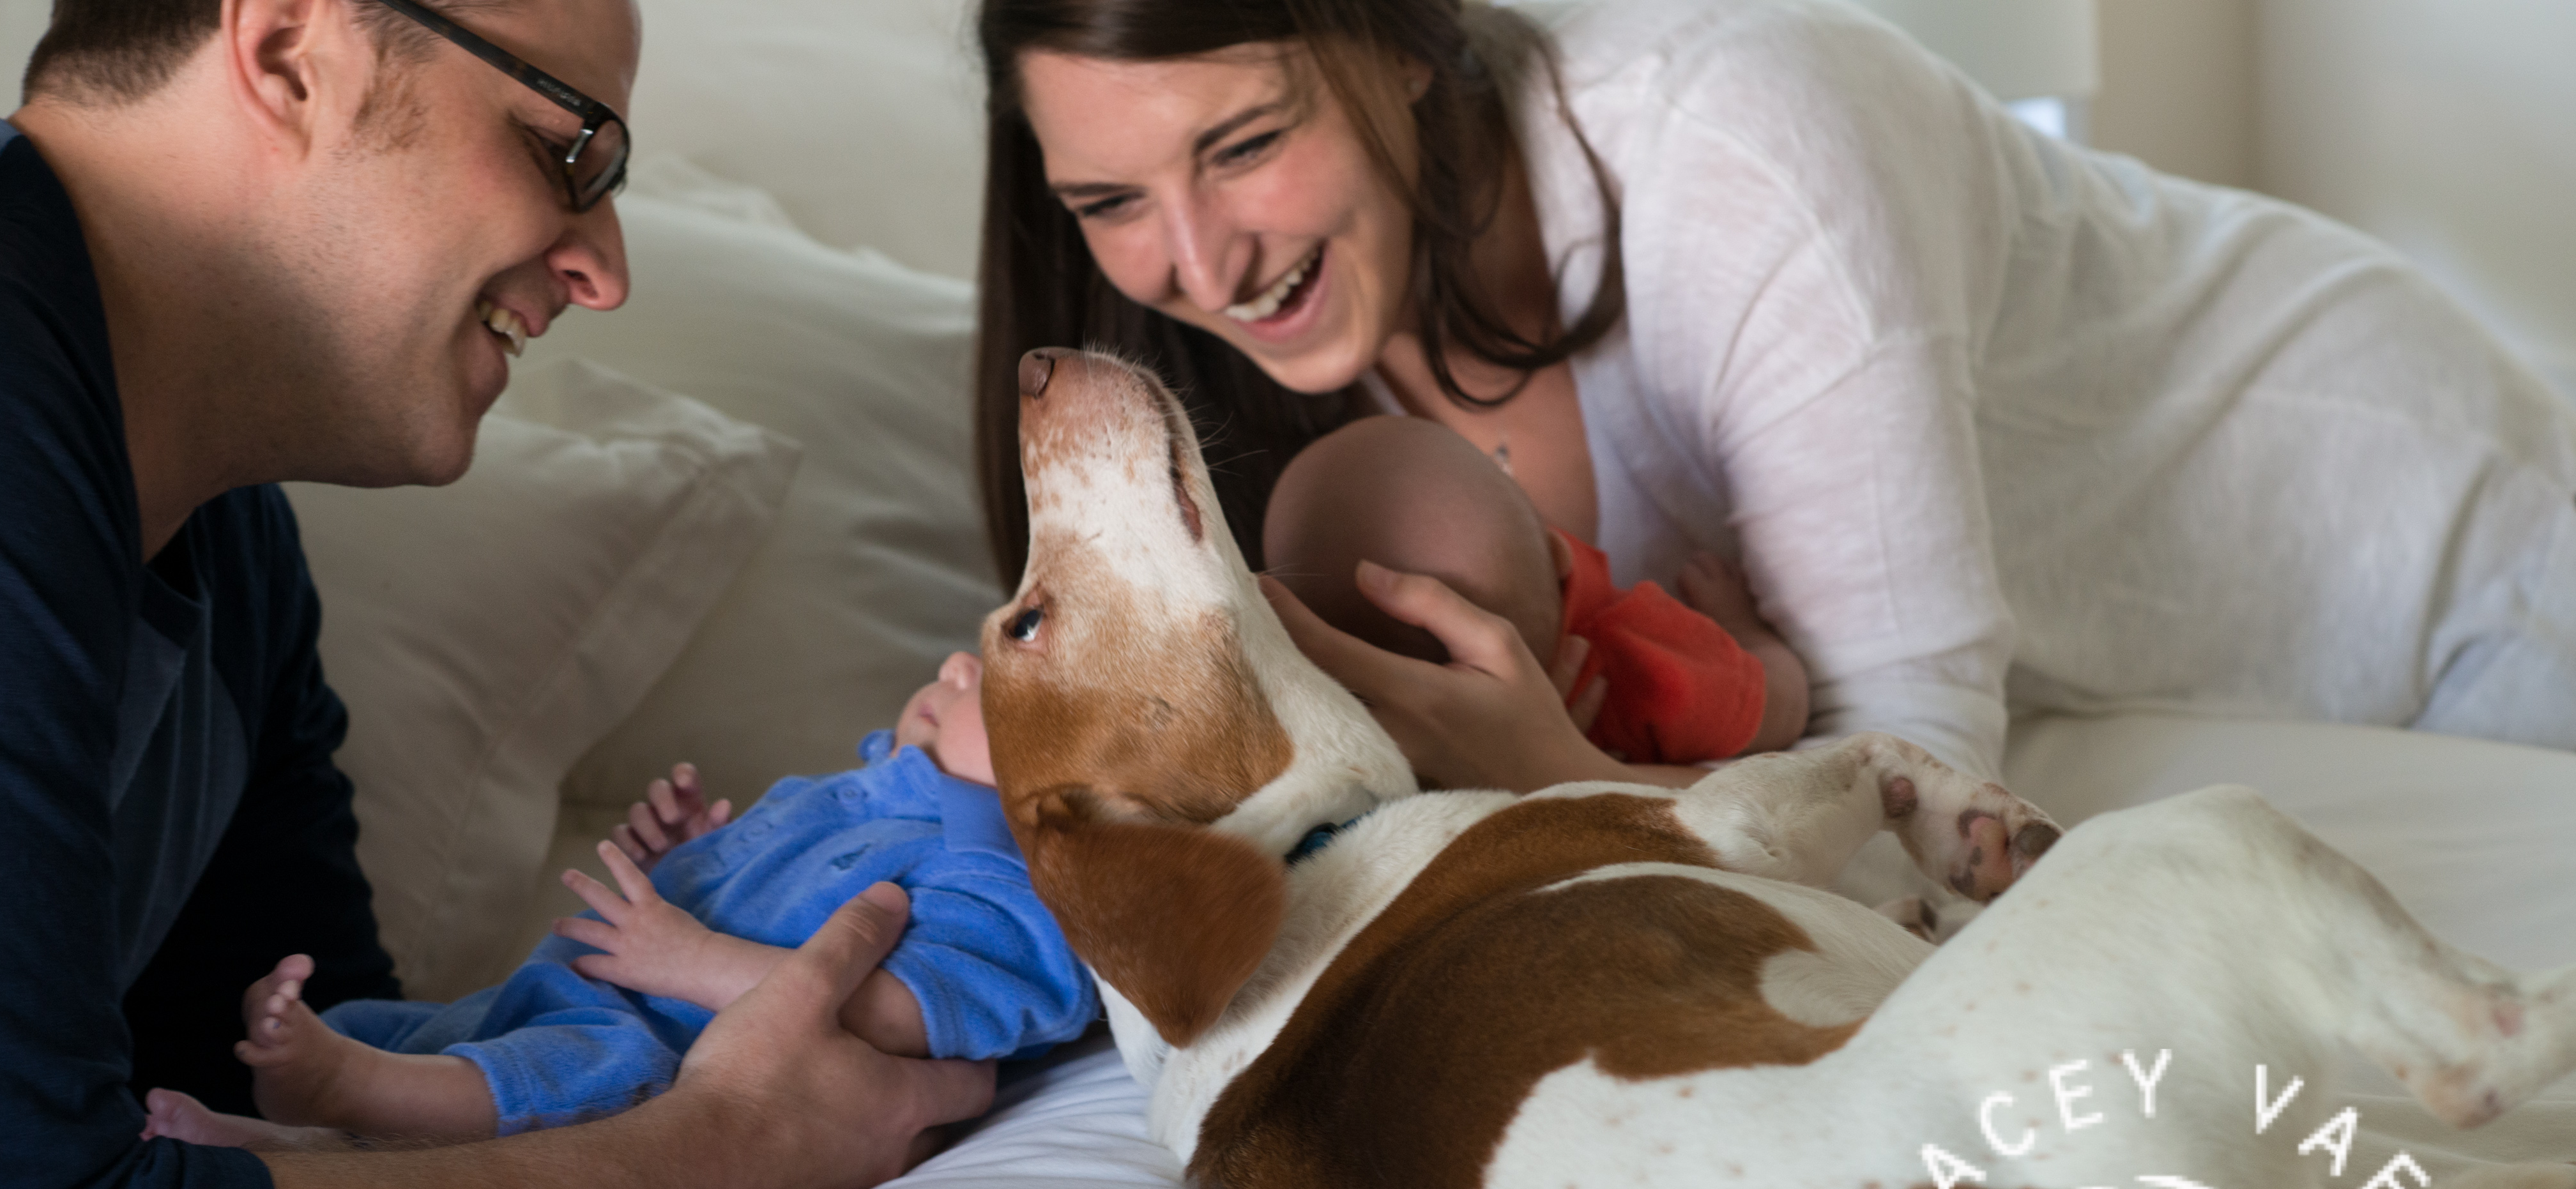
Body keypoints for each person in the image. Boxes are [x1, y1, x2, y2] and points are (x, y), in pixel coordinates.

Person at [0, 0, 990, 1189]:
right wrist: (722, 1150)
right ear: (292, 55)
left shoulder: (225, 545)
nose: (602, 270)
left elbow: (304, 1105)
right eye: (565, 149)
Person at [969, 0, 2576, 791]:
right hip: (2128, 678)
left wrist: (1567, 787)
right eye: (1109, 200)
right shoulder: (1221, 375)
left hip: (2426, 545)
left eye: (1246, 144)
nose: (1201, 263)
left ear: (1400, 40)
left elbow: (1927, 785)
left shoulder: (1743, 148)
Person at [144, 653, 1096, 1147]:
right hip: (580, 991)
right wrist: (686, 860)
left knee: (558, 1075)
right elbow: (768, 901)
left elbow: (901, 1014)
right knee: (424, 1032)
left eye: (1005, 668)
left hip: (668, 1055)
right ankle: (282, 1138)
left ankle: (347, 1094)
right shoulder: (866, 798)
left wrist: (691, 959)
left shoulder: (1013, 886)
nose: (958, 666)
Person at [1263, 414, 1810, 772]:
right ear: (1558, 551)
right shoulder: (1641, 655)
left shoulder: (1389, 755)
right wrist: (1744, 630)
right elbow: (1784, 711)